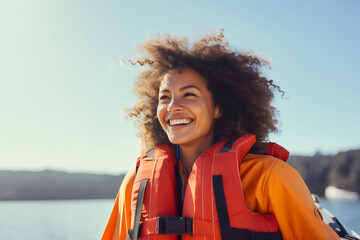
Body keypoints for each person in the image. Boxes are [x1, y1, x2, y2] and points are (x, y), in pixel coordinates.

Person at [102, 31, 339, 240]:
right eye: (165, 97)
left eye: (189, 94)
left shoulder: (271, 178)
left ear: (218, 108)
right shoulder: (136, 182)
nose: (173, 106)